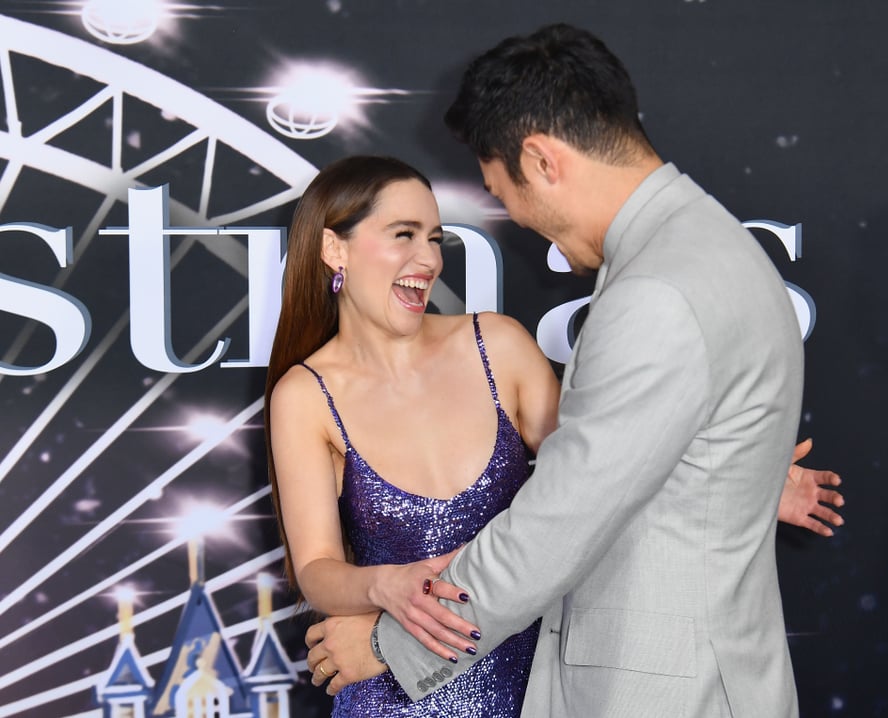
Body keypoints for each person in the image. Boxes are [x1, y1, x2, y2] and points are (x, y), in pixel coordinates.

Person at [303, 23, 837, 718]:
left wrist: (391, 643)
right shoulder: (708, 247)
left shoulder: (657, 293)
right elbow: (639, 468)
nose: (516, 219)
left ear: (543, 159)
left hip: (661, 696)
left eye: (504, 191)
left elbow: (561, 520)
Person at [264, 154, 562, 716]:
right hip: (389, 700)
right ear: (335, 249)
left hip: (531, 689)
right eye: (403, 235)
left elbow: (603, 485)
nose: (427, 259)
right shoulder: (305, 395)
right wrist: (384, 586)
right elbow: (318, 569)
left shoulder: (498, 346)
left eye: (435, 238)